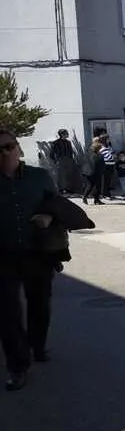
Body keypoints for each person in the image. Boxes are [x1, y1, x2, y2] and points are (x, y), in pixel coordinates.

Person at [0, 129, 59, 390]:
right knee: (7, 313)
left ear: (18, 148)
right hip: (3, 256)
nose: (4, 153)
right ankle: (17, 365)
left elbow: (58, 207)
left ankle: (37, 345)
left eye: (8, 147)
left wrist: (48, 217)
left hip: (37, 253)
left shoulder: (40, 177)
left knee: (40, 306)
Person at [49, 129, 74, 194]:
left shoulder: (68, 142)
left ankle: (68, 188)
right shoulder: (55, 143)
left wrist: (71, 160)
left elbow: (71, 152)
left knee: (68, 175)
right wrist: (55, 161)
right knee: (61, 176)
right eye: (66, 133)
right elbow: (51, 154)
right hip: (60, 160)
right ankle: (61, 189)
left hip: (68, 160)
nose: (67, 134)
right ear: (62, 134)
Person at [81, 138, 105, 206]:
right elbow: (96, 163)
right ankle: (92, 198)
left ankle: (93, 199)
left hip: (89, 172)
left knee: (92, 185)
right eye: (100, 148)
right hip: (93, 172)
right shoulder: (95, 154)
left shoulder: (91, 152)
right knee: (95, 185)